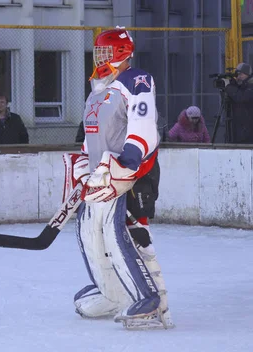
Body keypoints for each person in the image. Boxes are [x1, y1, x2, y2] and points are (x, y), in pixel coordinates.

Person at [63, 27, 172, 330]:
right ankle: (114, 293)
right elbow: (92, 136)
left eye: (106, 52)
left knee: (126, 237)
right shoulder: (100, 88)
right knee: (89, 231)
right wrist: (84, 164)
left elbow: (142, 124)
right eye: (98, 52)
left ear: (122, 53)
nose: (100, 57)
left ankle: (150, 301)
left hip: (131, 174)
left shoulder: (135, 79)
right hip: (102, 177)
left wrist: (128, 160)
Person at [223, 62, 253, 144]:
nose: (238, 77)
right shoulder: (246, 86)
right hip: (244, 132)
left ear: (248, 74)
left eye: (240, 74)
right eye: (237, 75)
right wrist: (233, 84)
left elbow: (241, 97)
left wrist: (228, 87)